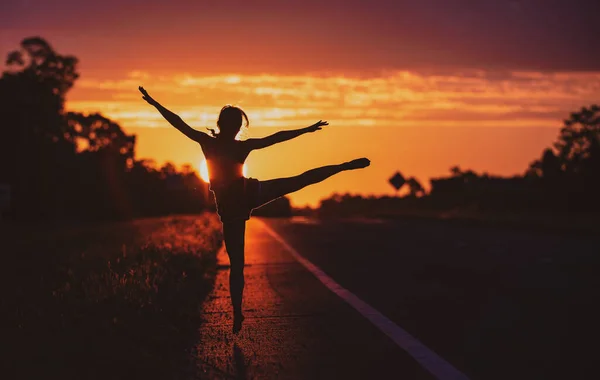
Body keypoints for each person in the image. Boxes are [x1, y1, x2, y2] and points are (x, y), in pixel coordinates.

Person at [139, 86, 370, 333]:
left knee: (238, 263)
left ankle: (237, 313)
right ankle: (343, 166)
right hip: (246, 197)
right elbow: (275, 137)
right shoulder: (234, 146)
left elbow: (179, 123)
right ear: (232, 126)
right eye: (236, 123)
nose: (236, 128)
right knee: (299, 181)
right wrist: (155, 103)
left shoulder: (211, 143)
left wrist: (155, 104)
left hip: (237, 204)